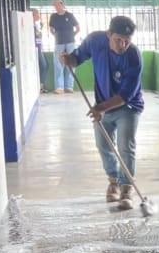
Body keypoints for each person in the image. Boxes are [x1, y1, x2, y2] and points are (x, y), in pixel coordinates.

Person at [60, 16, 144, 208]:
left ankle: (126, 187)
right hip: (102, 104)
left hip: (128, 107)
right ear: (108, 35)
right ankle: (113, 182)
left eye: (127, 40)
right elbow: (76, 59)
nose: (122, 45)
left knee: (125, 146)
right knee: (103, 145)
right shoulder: (95, 41)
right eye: (118, 39)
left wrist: (101, 108)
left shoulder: (133, 56)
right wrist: (67, 59)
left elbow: (126, 95)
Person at [49, 0, 80, 93]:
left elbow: (78, 28)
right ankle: (59, 87)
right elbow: (51, 29)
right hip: (58, 43)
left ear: (62, 4)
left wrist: (72, 36)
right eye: (54, 5)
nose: (56, 7)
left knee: (71, 63)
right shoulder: (53, 16)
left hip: (70, 42)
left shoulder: (69, 15)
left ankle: (69, 86)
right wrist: (56, 36)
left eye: (57, 4)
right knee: (58, 64)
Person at [32, 8, 47, 93]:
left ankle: (39, 86)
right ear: (33, 15)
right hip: (35, 48)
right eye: (37, 14)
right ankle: (39, 86)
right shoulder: (31, 25)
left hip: (39, 47)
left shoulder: (36, 24)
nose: (39, 15)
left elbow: (38, 36)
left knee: (42, 66)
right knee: (43, 66)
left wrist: (40, 28)